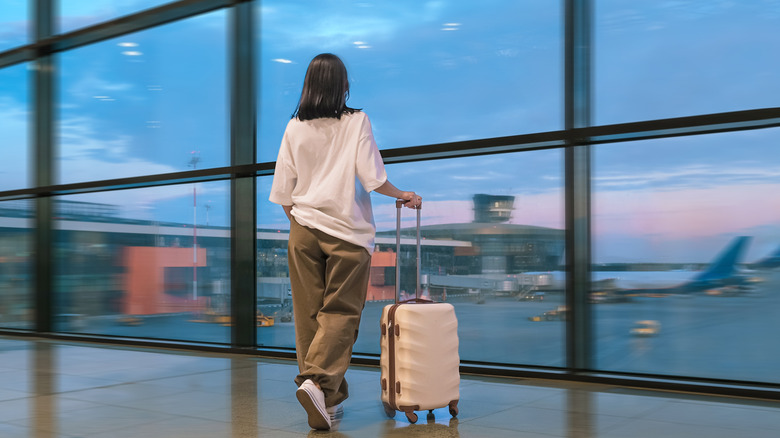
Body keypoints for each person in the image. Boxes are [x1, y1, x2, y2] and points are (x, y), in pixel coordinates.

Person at [269, 53, 421, 431]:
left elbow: (283, 193)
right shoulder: (356, 121)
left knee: (309, 315)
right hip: (347, 233)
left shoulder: (293, 128)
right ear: (343, 85)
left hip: (302, 230)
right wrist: (402, 193)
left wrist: (304, 223)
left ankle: (329, 403)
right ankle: (318, 384)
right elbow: (373, 177)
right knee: (340, 314)